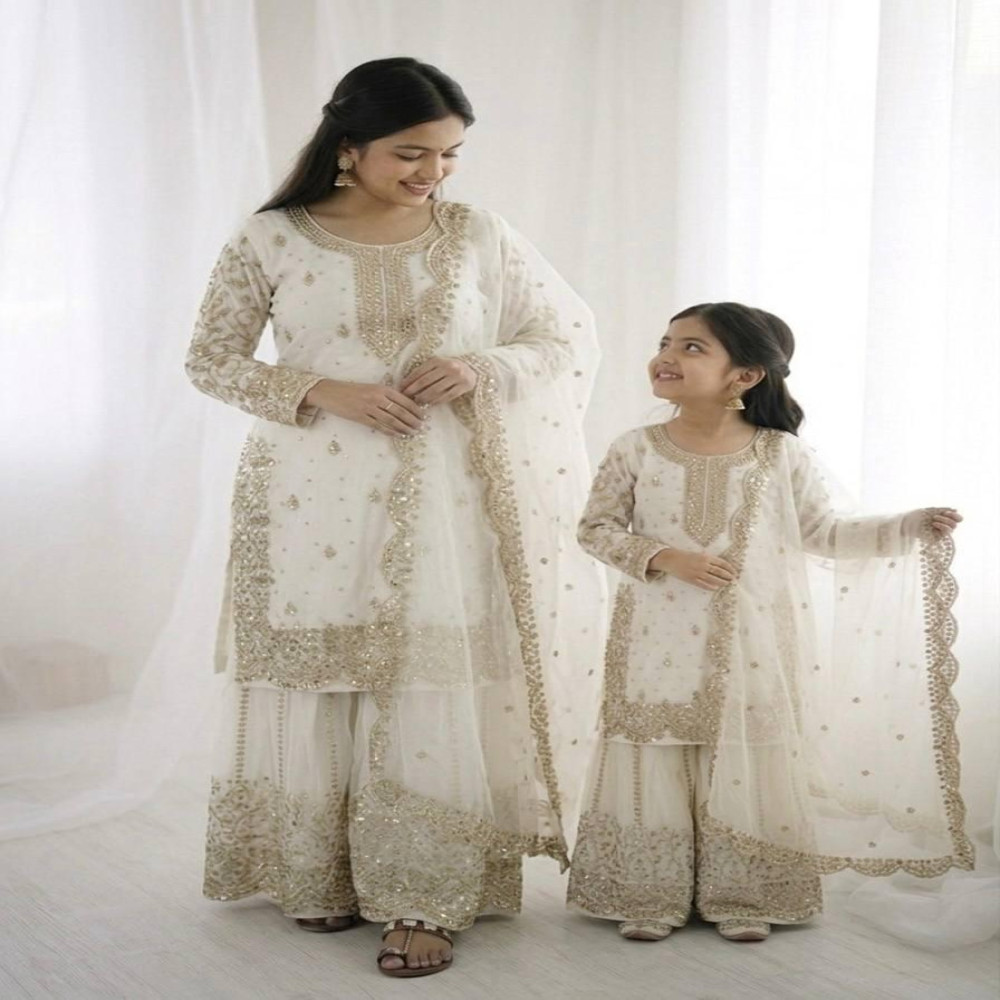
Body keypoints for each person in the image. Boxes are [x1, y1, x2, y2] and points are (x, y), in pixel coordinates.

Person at [185, 57, 602, 979]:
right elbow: (210, 359)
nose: (434, 172)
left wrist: (480, 367)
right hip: (305, 493)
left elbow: (563, 336)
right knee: (322, 673)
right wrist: (323, 390)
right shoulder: (271, 237)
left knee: (425, 677)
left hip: (443, 499)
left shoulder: (477, 234)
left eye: (449, 154)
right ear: (349, 146)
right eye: (413, 153)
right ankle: (318, 870)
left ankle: (426, 892)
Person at [566, 302, 971, 942]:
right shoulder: (635, 448)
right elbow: (595, 529)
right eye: (666, 342)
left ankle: (747, 892)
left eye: (692, 347)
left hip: (751, 643)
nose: (666, 356)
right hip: (654, 637)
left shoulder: (780, 454)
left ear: (746, 375)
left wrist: (906, 526)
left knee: (747, 757)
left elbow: (824, 533)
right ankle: (646, 890)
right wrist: (666, 557)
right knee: (655, 752)